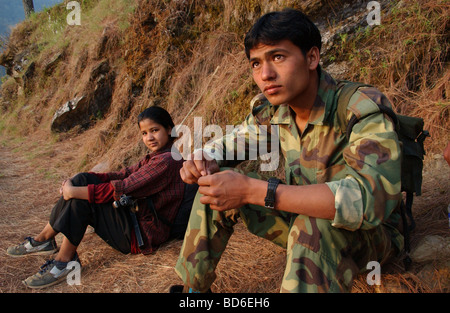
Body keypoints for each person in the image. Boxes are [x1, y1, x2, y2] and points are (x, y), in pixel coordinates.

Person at [172, 9, 404, 293]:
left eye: (278, 57)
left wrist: (253, 191)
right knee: (216, 184)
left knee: (313, 226)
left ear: (312, 58)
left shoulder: (359, 108)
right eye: (256, 63)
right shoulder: (275, 109)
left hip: (370, 237)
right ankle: (193, 291)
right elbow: (238, 139)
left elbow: (369, 200)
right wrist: (204, 157)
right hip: (303, 217)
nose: (265, 74)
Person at [7, 106, 196, 289]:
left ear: (169, 129)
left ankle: (64, 261)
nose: (149, 137)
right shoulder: (157, 156)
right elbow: (123, 174)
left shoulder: (167, 161)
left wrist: (73, 191)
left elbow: (124, 187)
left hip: (141, 235)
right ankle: (44, 240)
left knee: (82, 200)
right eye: (144, 133)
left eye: (155, 130)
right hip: (135, 220)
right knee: (83, 180)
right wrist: (79, 179)